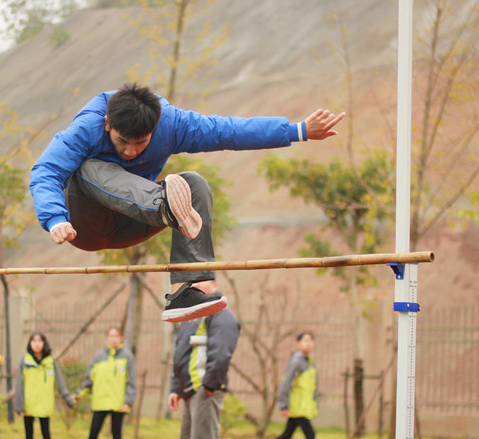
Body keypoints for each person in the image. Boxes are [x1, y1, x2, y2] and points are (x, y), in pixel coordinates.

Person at [30, 83, 345, 323]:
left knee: (195, 184)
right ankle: (164, 204)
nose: (129, 152)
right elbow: (47, 169)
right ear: (108, 125)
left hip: (134, 219)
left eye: (139, 144)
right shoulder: (88, 127)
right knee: (90, 166)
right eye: (122, 142)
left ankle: (189, 288)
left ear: (153, 131)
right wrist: (55, 217)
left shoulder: (172, 125)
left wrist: (298, 130)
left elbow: (227, 131)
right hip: (84, 223)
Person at [167, 280, 240, 439]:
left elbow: (221, 354)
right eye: (193, 281)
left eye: (201, 280)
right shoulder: (193, 313)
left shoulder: (220, 313)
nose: (194, 285)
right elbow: (180, 352)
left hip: (204, 389)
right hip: (189, 389)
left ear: (214, 283)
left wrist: (208, 386)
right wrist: (176, 388)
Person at [249, 331, 319, 439]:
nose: (308, 343)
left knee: (287, 434)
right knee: (310, 434)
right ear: (298, 343)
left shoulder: (310, 362)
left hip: (303, 406)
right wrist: (283, 405)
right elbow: (286, 383)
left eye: (310, 340)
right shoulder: (297, 361)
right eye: (305, 340)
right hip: (296, 406)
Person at [75, 327, 136, 439]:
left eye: (116, 336)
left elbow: (131, 382)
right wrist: (79, 393)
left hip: (118, 403)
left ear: (121, 338)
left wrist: (127, 402)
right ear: (107, 338)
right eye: (111, 336)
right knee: (94, 430)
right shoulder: (99, 356)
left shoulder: (127, 357)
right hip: (100, 401)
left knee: (116, 433)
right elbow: (89, 378)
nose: (113, 339)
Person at [14, 332, 75, 439]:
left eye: (39, 341)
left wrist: (67, 398)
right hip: (29, 403)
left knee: (46, 433)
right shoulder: (25, 361)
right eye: (34, 341)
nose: (37, 344)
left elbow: (60, 381)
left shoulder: (50, 361)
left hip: (45, 402)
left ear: (44, 343)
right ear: (30, 343)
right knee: (29, 434)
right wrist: (18, 405)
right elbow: (19, 383)